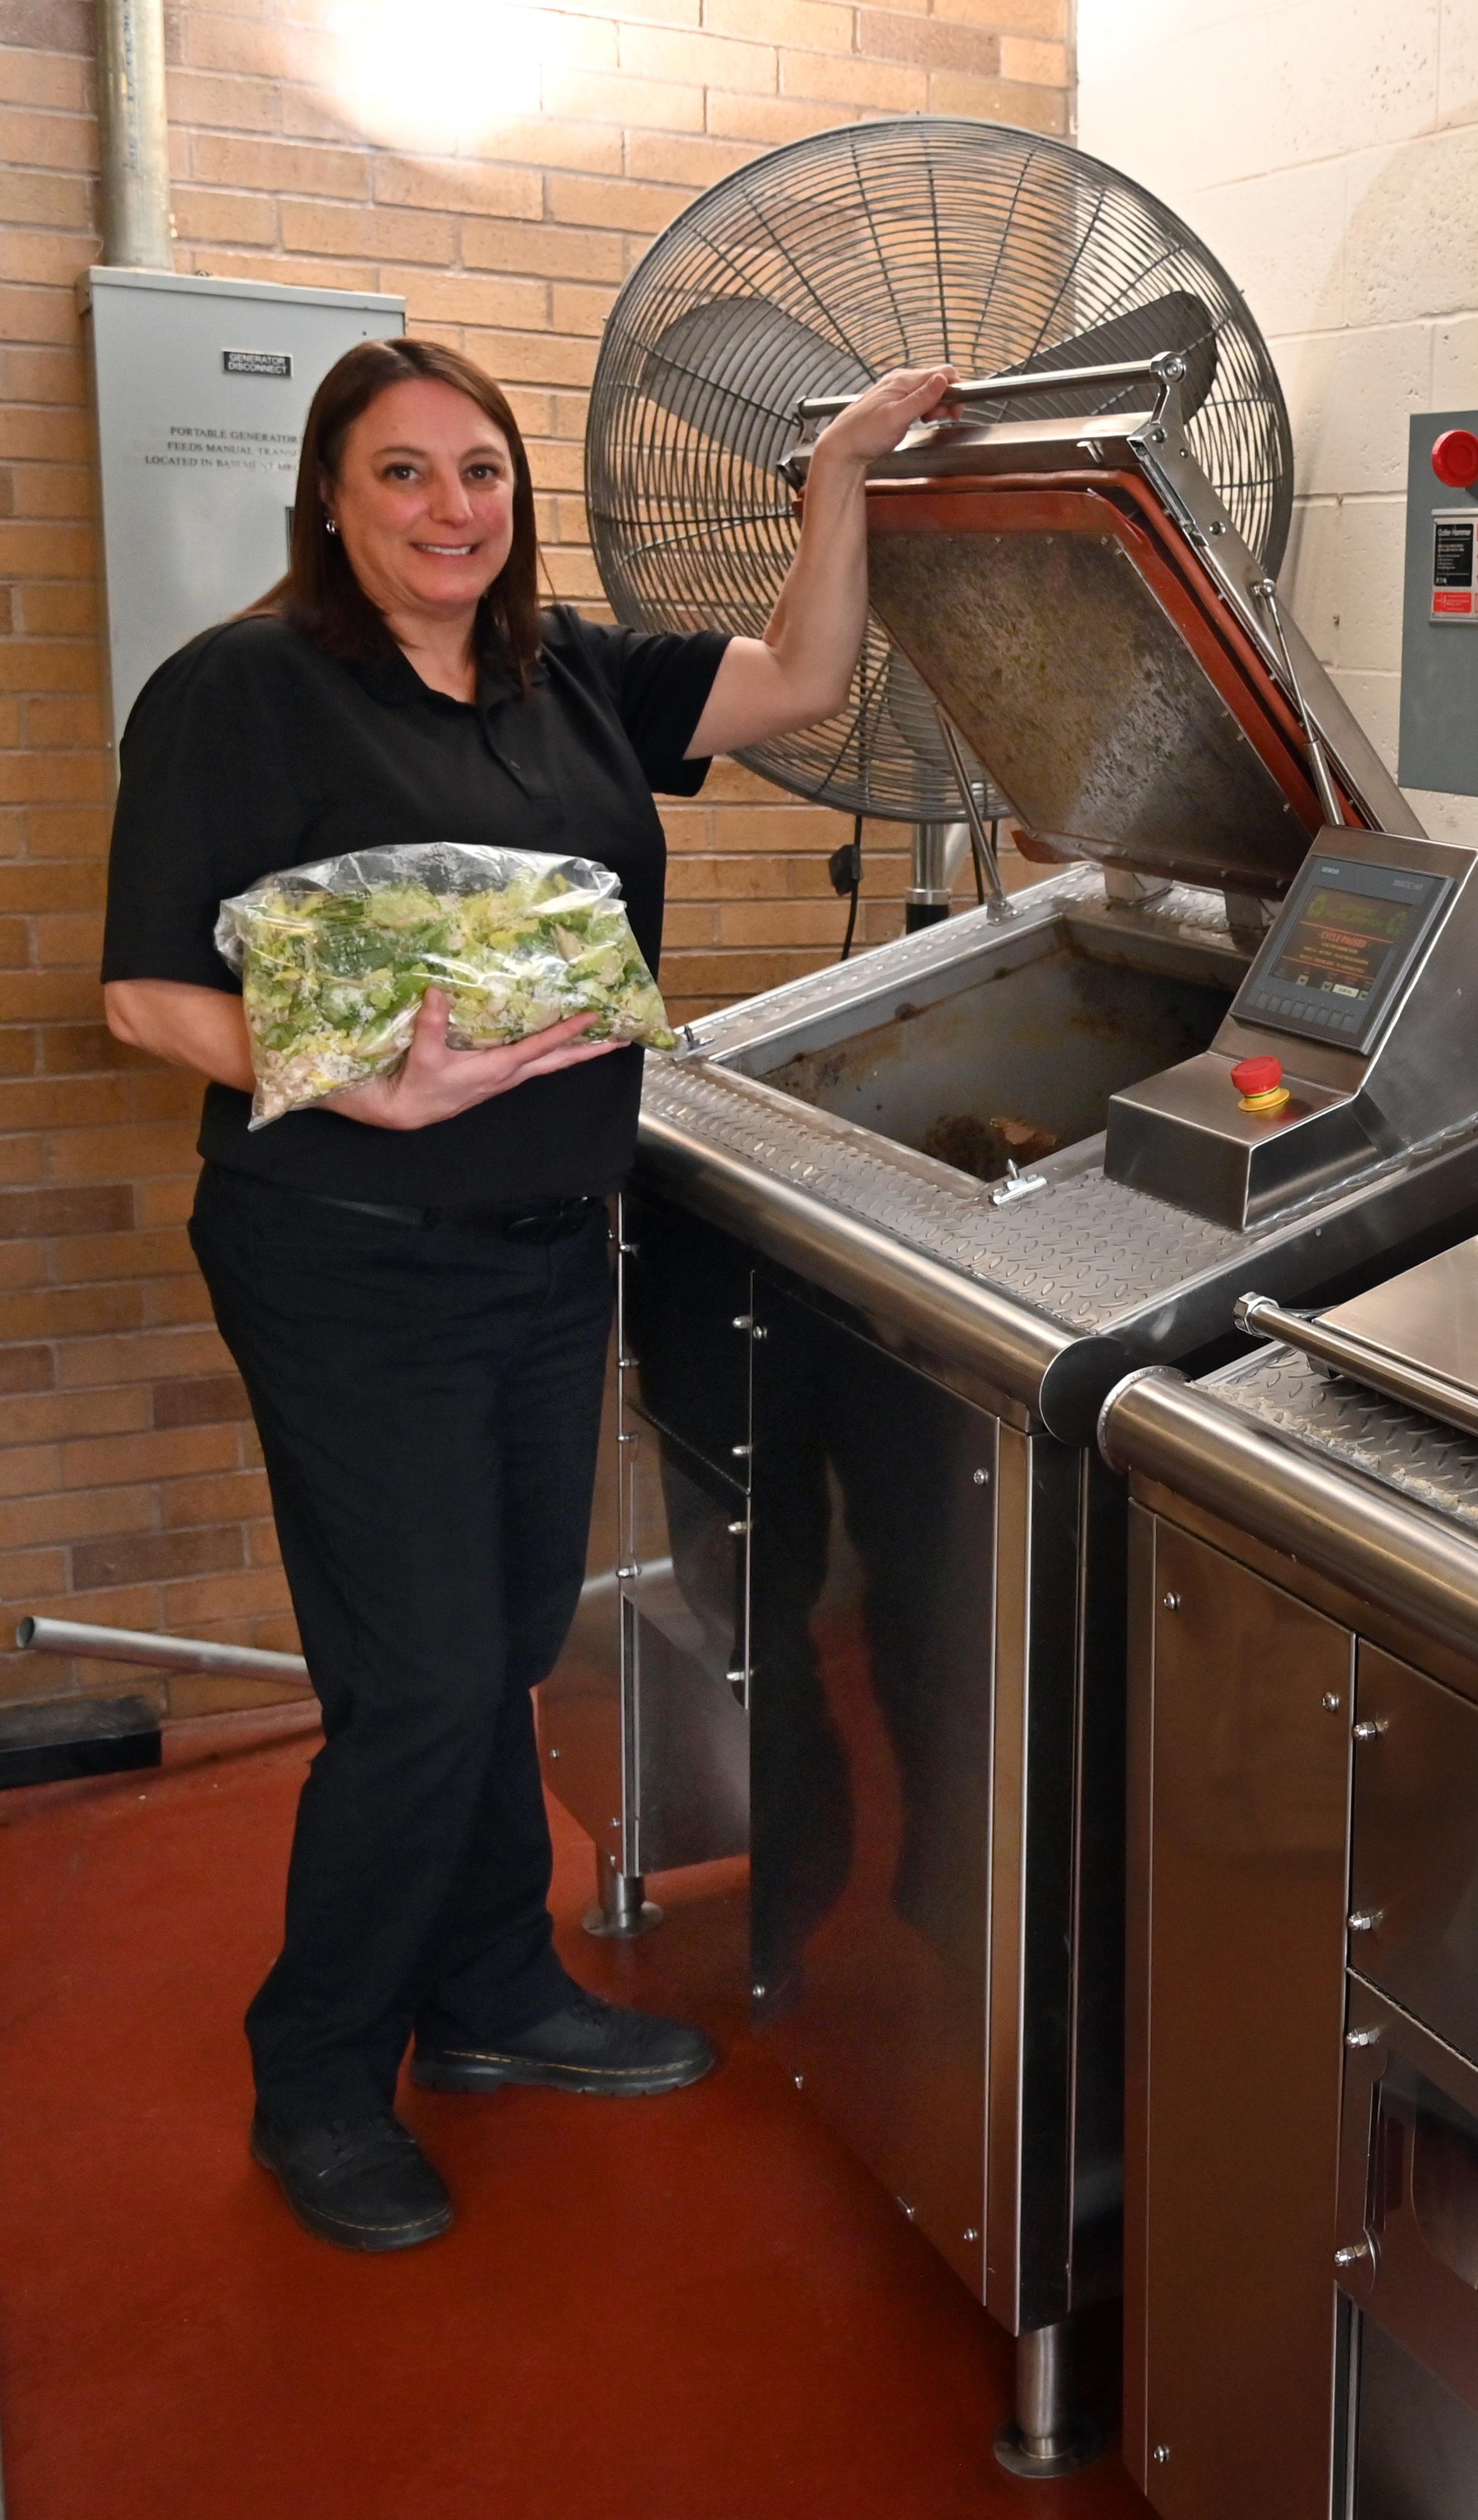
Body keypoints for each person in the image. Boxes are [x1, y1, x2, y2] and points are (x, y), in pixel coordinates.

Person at [98, 336, 954, 2253]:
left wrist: (841, 479)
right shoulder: (242, 693)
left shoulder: (571, 675)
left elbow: (805, 680)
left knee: (490, 1647)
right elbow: (143, 995)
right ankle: (318, 2072)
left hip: (551, 1249)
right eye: (402, 476)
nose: (449, 511)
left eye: (478, 472)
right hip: (343, 1259)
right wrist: (350, 1069)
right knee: (414, 1688)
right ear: (329, 498)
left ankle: (488, 1993)